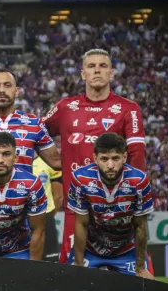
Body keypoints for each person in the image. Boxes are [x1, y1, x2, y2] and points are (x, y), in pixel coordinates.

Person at [42, 49, 149, 268]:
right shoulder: (65, 107)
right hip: (77, 204)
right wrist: (54, 164)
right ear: (83, 74)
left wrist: (133, 195)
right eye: (91, 66)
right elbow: (35, 133)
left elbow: (137, 154)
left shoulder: (128, 109)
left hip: (119, 206)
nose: (97, 70)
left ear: (111, 73)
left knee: (135, 272)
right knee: (74, 272)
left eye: (102, 66)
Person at [67, 133, 154, 278]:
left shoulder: (138, 181)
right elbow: (81, 224)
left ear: (124, 157)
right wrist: (78, 263)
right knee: (71, 289)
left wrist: (140, 268)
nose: (110, 165)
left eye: (115, 158)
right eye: (104, 159)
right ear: (95, 158)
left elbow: (141, 226)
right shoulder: (81, 179)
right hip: (91, 249)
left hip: (126, 250)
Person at [33, 155, 64, 261]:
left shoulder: (49, 161)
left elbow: (58, 196)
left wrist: (49, 214)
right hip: (23, 219)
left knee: (50, 260)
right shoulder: (15, 161)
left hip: (45, 217)